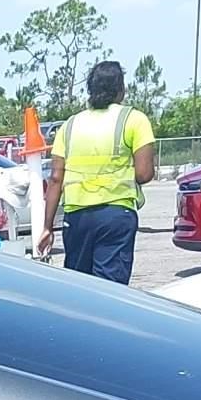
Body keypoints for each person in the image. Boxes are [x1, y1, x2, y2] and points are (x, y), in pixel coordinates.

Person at [37, 59, 156, 284]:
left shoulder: (70, 125)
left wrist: (47, 227)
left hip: (76, 217)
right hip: (115, 213)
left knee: (80, 289)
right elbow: (144, 173)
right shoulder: (134, 119)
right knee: (111, 289)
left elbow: (55, 179)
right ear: (121, 89)